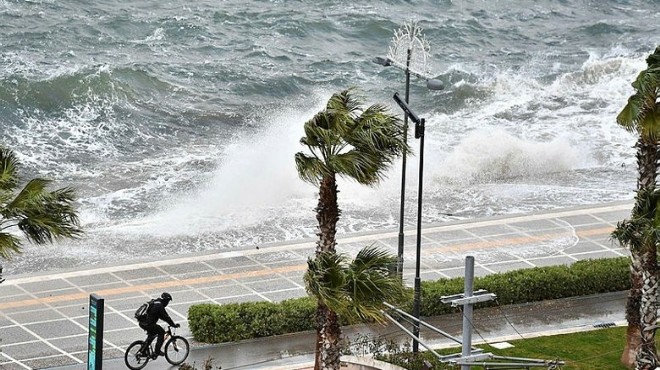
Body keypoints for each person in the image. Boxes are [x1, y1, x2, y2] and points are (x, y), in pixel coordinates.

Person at [140, 292, 180, 356]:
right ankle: (157, 351)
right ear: (165, 300)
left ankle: (143, 350)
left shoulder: (155, 302)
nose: (167, 303)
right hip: (148, 324)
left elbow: (161, 316)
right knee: (161, 332)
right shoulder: (159, 306)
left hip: (142, 323)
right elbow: (166, 317)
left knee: (152, 334)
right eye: (168, 301)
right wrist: (173, 325)